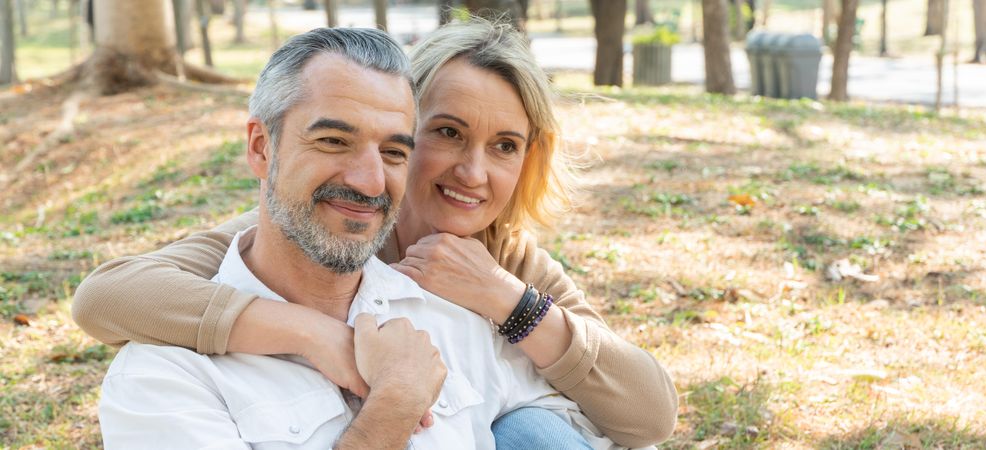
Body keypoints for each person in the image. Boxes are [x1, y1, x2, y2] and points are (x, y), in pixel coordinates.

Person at [76, 19, 678, 448]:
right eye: (445, 133)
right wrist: (319, 337)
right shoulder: (284, 234)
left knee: (536, 432)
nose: (473, 172)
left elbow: (647, 415)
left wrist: (506, 299)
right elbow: (106, 297)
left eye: (505, 146)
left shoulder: (505, 269)